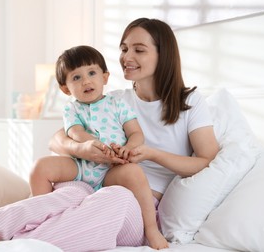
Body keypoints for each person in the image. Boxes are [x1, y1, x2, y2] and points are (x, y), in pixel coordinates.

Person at [0, 18, 219, 251]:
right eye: (123, 48)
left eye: (139, 49)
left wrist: (151, 154)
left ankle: (10, 247)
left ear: (163, 54)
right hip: (97, 181)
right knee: (59, 197)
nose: (126, 57)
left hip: (140, 203)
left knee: (113, 198)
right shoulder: (116, 99)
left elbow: (206, 160)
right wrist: (86, 148)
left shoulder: (190, 103)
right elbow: (57, 140)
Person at [30, 45, 167, 249]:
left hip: (112, 170)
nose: (86, 81)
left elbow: (136, 133)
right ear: (66, 89)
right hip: (80, 166)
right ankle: (40, 217)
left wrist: (127, 149)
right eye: (76, 78)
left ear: (104, 77)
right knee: (40, 167)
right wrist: (90, 145)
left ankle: (151, 229)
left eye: (92, 73)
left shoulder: (117, 104)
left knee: (135, 173)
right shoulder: (71, 108)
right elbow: (75, 132)